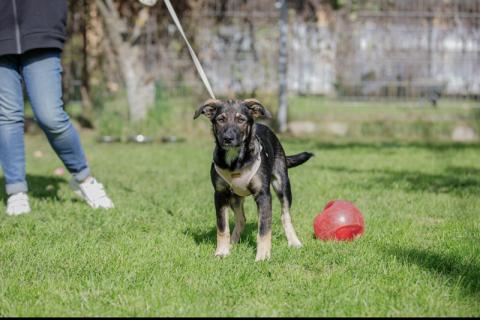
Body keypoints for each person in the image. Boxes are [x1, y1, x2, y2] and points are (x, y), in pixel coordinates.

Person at [0, 0, 114, 215]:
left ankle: (84, 179)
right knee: (7, 116)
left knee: (50, 115)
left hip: (40, 23)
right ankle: (16, 192)